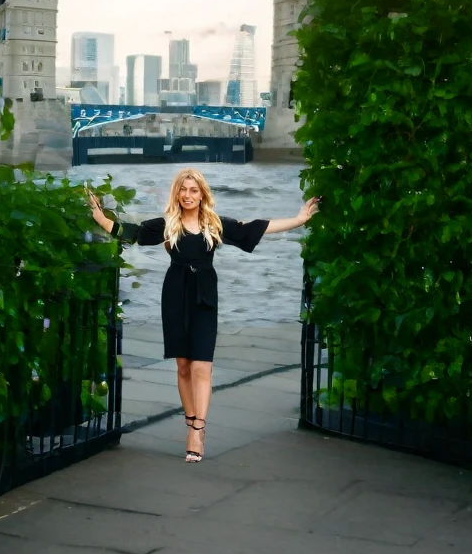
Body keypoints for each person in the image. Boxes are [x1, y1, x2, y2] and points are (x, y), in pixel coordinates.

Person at [88, 168, 319, 462]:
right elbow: (129, 233)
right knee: (183, 365)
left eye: (193, 190)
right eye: (183, 190)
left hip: (205, 297)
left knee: (202, 367)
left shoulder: (214, 224)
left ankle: (197, 429)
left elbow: (255, 228)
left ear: (202, 194)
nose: (188, 195)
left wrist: (298, 220)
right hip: (174, 295)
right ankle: (190, 420)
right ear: (177, 193)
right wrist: (100, 218)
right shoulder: (168, 224)